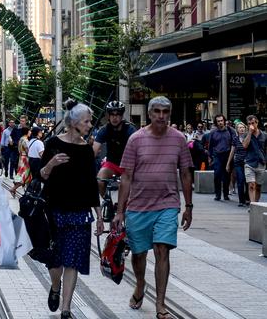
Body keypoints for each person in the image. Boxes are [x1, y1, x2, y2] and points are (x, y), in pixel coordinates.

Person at [112, 97, 193, 319]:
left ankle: (160, 303)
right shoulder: (136, 140)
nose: (161, 116)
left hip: (167, 204)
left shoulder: (179, 139)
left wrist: (189, 206)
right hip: (138, 206)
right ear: (149, 114)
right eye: (156, 111)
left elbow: (186, 173)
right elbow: (126, 176)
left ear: (170, 114)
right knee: (138, 255)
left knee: (162, 249)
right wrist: (120, 211)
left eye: (165, 112)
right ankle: (140, 284)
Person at [36, 101, 103, 319]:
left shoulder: (85, 149)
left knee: (72, 261)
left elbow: (91, 184)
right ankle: (55, 287)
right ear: (74, 123)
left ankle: (66, 308)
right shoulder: (54, 143)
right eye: (86, 121)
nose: (90, 125)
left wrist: (100, 215)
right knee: (55, 262)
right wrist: (51, 164)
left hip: (79, 212)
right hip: (54, 211)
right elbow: (41, 176)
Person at [92, 101, 136, 197]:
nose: (114, 117)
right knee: (99, 180)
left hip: (128, 165)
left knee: (123, 186)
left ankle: (124, 206)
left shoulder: (130, 130)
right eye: (112, 114)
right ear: (108, 115)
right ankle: (107, 202)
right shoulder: (104, 130)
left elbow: (138, 150)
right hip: (112, 163)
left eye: (118, 114)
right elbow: (93, 152)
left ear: (122, 115)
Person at [206, 114, 234, 201]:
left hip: (228, 155)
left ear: (224, 121)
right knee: (217, 175)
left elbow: (234, 144)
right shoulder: (213, 132)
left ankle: (225, 194)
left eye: (222, 121)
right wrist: (210, 157)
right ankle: (217, 194)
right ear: (216, 123)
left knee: (227, 176)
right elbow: (210, 146)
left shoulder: (230, 130)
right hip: (217, 156)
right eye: (218, 121)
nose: (220, 122)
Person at [241, 114, 266, 203]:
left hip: (261, 163)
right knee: (251, 184)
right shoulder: (245, 135)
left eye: (253, 123)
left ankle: (256, 204)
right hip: (249, 163)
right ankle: (252, 205)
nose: (251, 125)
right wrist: (250, 133)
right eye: (249, 123)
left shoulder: (264, 135)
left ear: (257, 123)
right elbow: (244, 146)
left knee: (258, 186)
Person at [227, 122, 249, 206]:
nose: (242, 129)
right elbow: (232, 152)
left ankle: (247, 198)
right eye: (239, 128)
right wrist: (228, 164)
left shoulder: (248, 138)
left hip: (248, 162)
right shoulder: (235, 139)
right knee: (240, 180)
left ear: (245, 128)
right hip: (238, 162)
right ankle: (241, 200)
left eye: (243, 127)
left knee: (247, 181)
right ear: (237, 129)